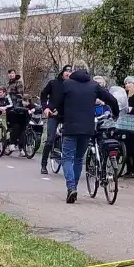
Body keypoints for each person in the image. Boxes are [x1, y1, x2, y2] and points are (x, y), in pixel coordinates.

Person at [51, 64, 120, 204]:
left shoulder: (67, 84)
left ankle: (71, 187)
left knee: (67, 158)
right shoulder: (94, 85)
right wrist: (116, 113)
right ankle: (74, 187)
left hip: (70, 127)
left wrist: (62, 114)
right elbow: (111, 99)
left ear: (74, 70)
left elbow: (57, 103)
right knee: (78, 159)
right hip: (88, 127)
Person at [38, 65, 72, 175]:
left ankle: (67, 161)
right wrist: (45, 108)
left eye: (70, 71)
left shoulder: (73, 85)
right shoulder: (53, 83)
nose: (68, 73)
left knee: (70, 139)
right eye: (66, 71)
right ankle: (43, 164)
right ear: (62, 72)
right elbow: (43, 95)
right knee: (50, 139)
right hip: (53, 114)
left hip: (67, 115)